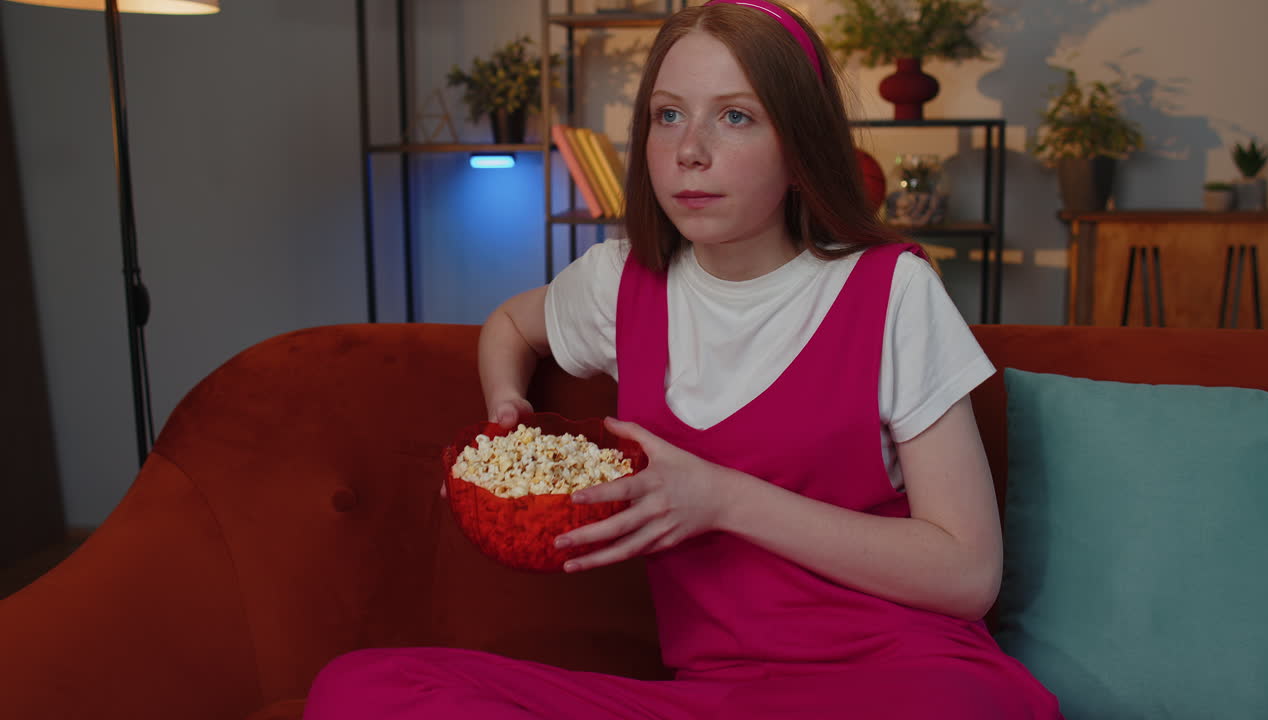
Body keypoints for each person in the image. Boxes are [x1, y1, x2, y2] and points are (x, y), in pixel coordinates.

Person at [303, 2, 1062, 718]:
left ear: (800, 150)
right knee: (362, 688)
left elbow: (966, 574)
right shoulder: (619, 283)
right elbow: (510, 324)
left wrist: (722, 499)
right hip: (718, 698)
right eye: (668, 115)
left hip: (904, 681)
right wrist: (509, 420)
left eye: (735, 116)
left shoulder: (891, 288)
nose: (689, 151)